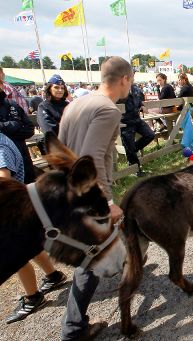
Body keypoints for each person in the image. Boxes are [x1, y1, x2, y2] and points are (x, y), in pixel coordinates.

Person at [58, 56, 131, 340]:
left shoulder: (74, 104)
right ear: (124, 79)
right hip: (91, 196)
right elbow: (92, 157)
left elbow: (64, 149)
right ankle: (73, 330)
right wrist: (108, 201)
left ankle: (126, 267)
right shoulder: (108, 109)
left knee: (93, 252)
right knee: (89, 260)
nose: (130, 86)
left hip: (69, 190)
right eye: (131, 81)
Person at [1, 131, 67, 324]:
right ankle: (52, 275)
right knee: (29, 247)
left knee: (16, 255)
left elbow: (3, 180)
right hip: (16, 206)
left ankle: (33, 296)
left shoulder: (1, 147)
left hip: (11, 208)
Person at [0, 87, 36, 183]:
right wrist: (15, 125)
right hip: (5, 167)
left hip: (25, 162)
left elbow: (30, 129)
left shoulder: (12, 104)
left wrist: (7, 134)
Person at [119, 84, 155, 177]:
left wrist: (142, 106)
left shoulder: (135, 89)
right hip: (125, 121)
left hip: (137, 119)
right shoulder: (118, 88)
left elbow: (139, 101)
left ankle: (133, 149)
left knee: (150, 135)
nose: (132, 77)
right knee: (129, 144)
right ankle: (135, 170)